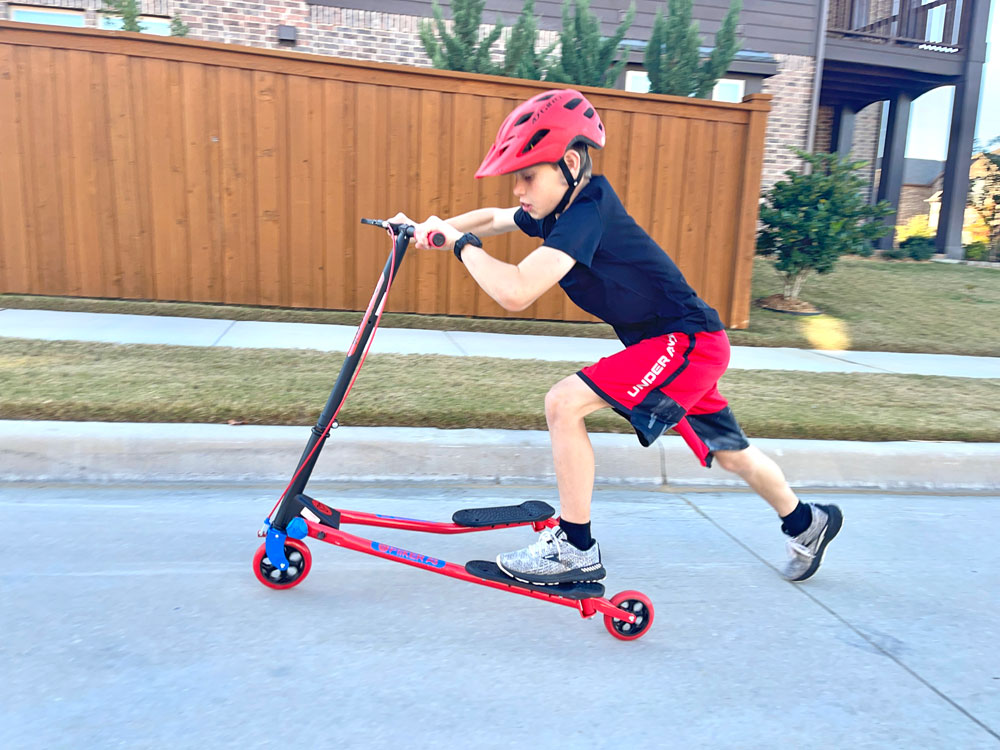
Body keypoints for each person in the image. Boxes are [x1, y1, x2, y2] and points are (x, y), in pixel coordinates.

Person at [388, 88, 842, 587]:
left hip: (685, 342)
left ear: (569, 163)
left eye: (528, 175)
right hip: (686, 347)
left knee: (564, 403)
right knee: (729, 450)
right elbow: (494, 218)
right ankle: (807, 521)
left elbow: (515, 292)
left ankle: (574, 548)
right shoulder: (557, 211)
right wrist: (423, 229)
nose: (519, 189)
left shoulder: (588, 213)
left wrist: (459, 247)